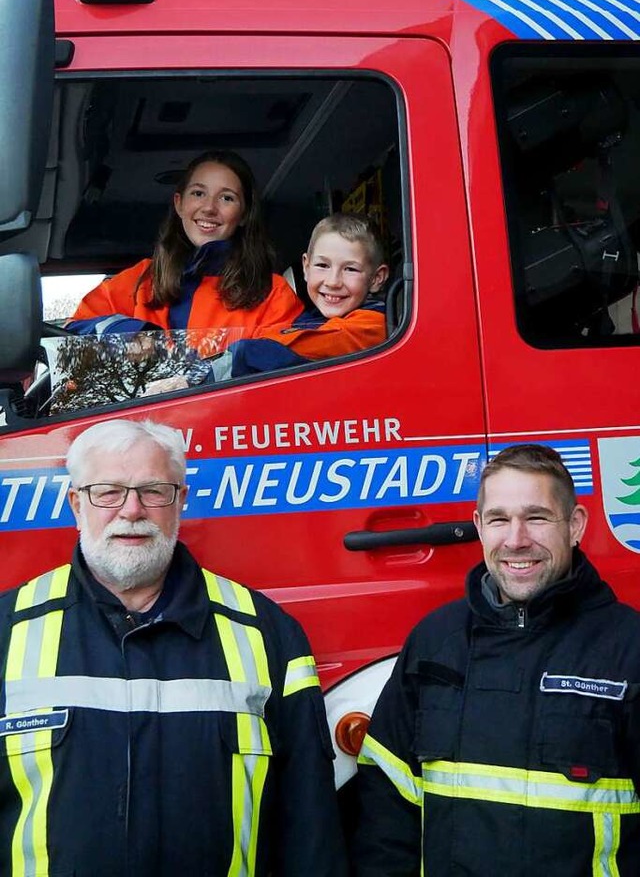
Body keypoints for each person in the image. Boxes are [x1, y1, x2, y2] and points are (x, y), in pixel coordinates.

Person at [0, 419, 347, 877]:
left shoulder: (268, 633)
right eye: (107, 492)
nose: (131, 510)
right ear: (76, 504)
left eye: (154, 491)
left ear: (181, 501)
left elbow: (310, 826)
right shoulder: (8, 628)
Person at [351, 444, 640, 876]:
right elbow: (385, 814)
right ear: (479, 527)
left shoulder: (629, 649)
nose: (516, 539)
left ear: (575, 525)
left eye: (537, 517)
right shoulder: (434, 645)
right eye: (499, 519)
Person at [66, 150, 303, 341]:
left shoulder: (272, 293)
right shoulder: (139, 280)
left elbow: (285, 371)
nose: (209, 207)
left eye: (227, 198)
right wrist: (130, 333)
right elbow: (72, 332)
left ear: (243, 215)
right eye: (198, 193)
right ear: (179, 204)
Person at [146, 212, 389, 391]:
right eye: (322, 266)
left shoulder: (373, 325)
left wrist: (197, 377)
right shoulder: (310, 319)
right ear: (305, 267)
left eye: (351, 269)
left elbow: (283, 348)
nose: (333, 281)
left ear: (377, 278)